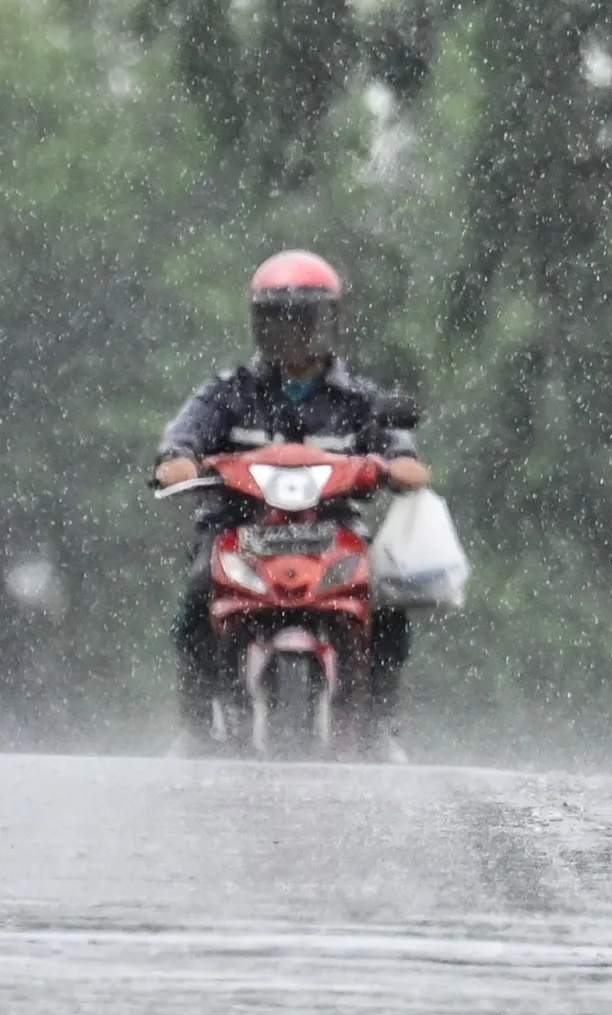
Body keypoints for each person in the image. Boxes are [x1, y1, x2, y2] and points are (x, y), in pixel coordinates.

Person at [154, 250, 431, 758]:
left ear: (331, 322)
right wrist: (178, 459)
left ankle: (378, 722)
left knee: (388, 600)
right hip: (240, 531)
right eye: (279, 318)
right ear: (259, 323)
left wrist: (398, 464)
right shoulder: (228, 392)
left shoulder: (359, 399)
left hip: (333, 535)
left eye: (306, 318)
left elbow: (401, 450)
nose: (294, 331)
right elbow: (181, 440)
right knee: (197, 594)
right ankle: (197, 725)